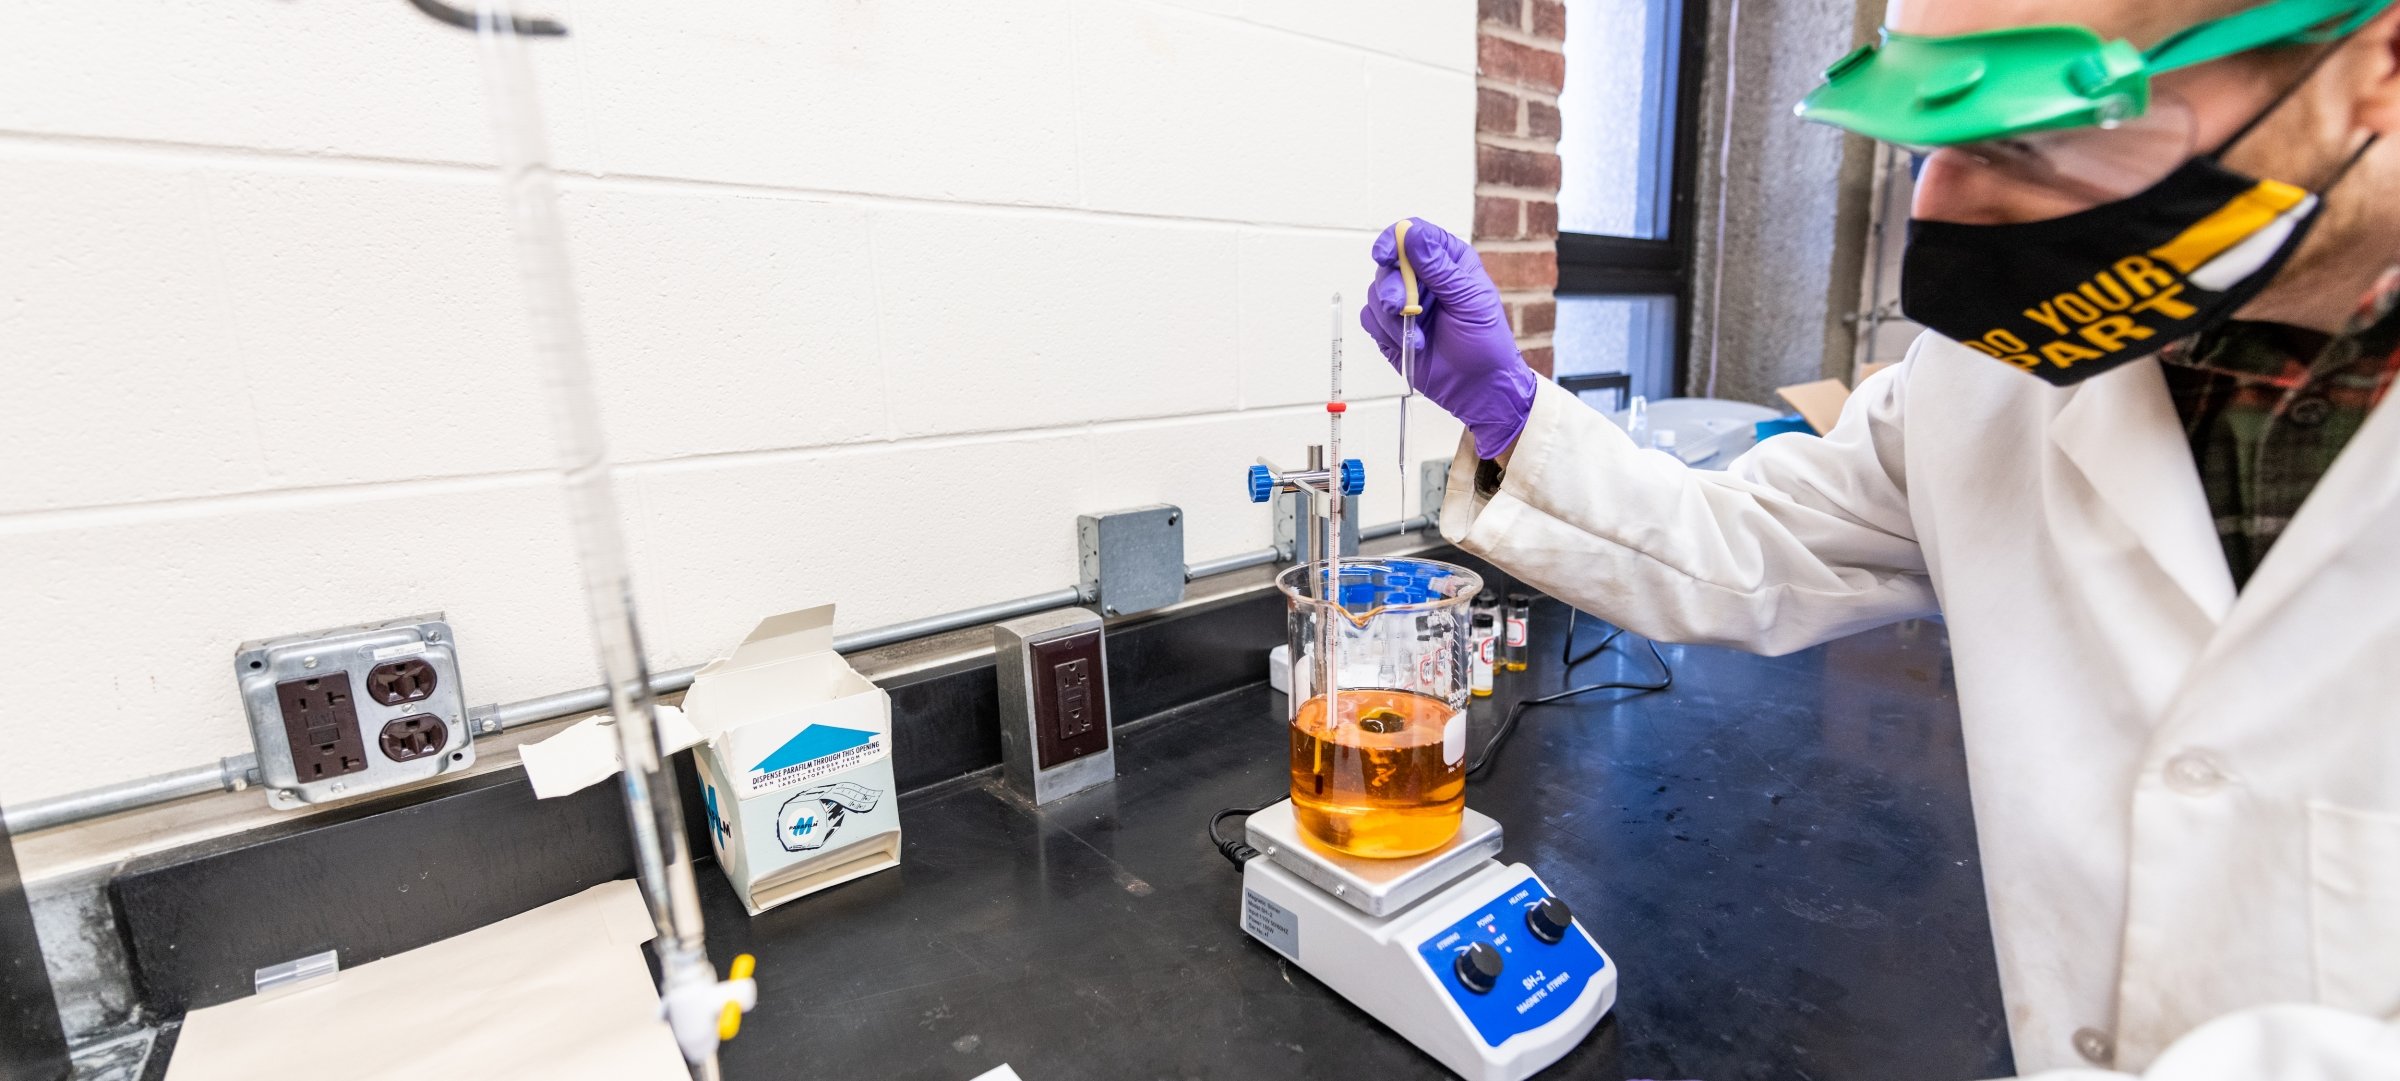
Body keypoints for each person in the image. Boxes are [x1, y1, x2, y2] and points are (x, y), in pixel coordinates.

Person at [1361, 0, 2400, 1075]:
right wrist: (1511, 412)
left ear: (2379, 60)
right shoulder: (1990, 383)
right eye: (1922, 139)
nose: (1939, 205)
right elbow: (1753, 538)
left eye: (2033, 130)